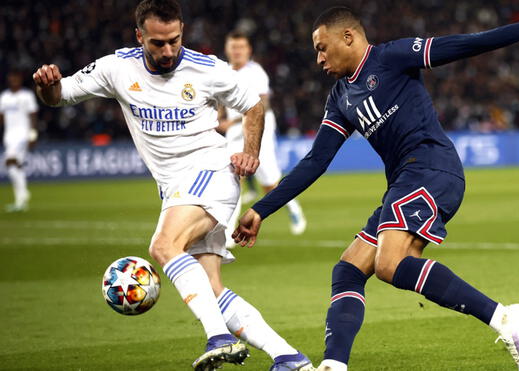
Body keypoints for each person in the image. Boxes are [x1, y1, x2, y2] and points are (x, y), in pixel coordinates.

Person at [233, 6, 519, 371]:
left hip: (432, 168)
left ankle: (504, 319)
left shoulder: (392, 57)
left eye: (323, 48)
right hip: (405, 182)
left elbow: (468, 44)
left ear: (349, 37)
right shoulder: (341, 97)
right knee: (349, 268)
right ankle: (334, 365)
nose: (319, 58)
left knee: (390, 264)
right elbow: (315, 162)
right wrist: (262, 209)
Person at [32, 1, 312, 370]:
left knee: (164, 245)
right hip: (175, 189)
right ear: (139, 37)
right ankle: (289, 357)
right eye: (157, 43)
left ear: (183, 31)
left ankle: (219, 338)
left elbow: (254, 105)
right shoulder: (117, 68)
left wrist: (250, 153)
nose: (167, 51)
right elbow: (60, 96)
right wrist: (47, 87)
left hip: (211, 171)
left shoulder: (207, 68)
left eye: (174, 41)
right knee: (211, 290)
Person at [218, 31, 306, 245]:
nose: (237, 51)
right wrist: (219, 119)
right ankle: (229, 231)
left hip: (259, 127)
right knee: (232, 174)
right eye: (234, 47)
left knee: (269, 183)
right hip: (234, 131)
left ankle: (293, 208)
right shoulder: (221, 72)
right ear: (228, 49)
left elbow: (263, 105)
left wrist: (232, 121)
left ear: (248, 50)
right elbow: (219, 101)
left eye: (241, 47)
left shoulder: (256, 72)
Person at [1, 70, 38, 212]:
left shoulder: (27, 96)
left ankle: (22, 196)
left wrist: (33, 135)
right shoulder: (4, 97)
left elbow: (33, 116)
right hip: (9, 136)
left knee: (10, 161)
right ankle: (21, 198)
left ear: (20, 79)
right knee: (15, 167)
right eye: (11, 78)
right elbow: (2, 118)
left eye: (15, 78)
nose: (13, 81)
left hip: (22, 134)